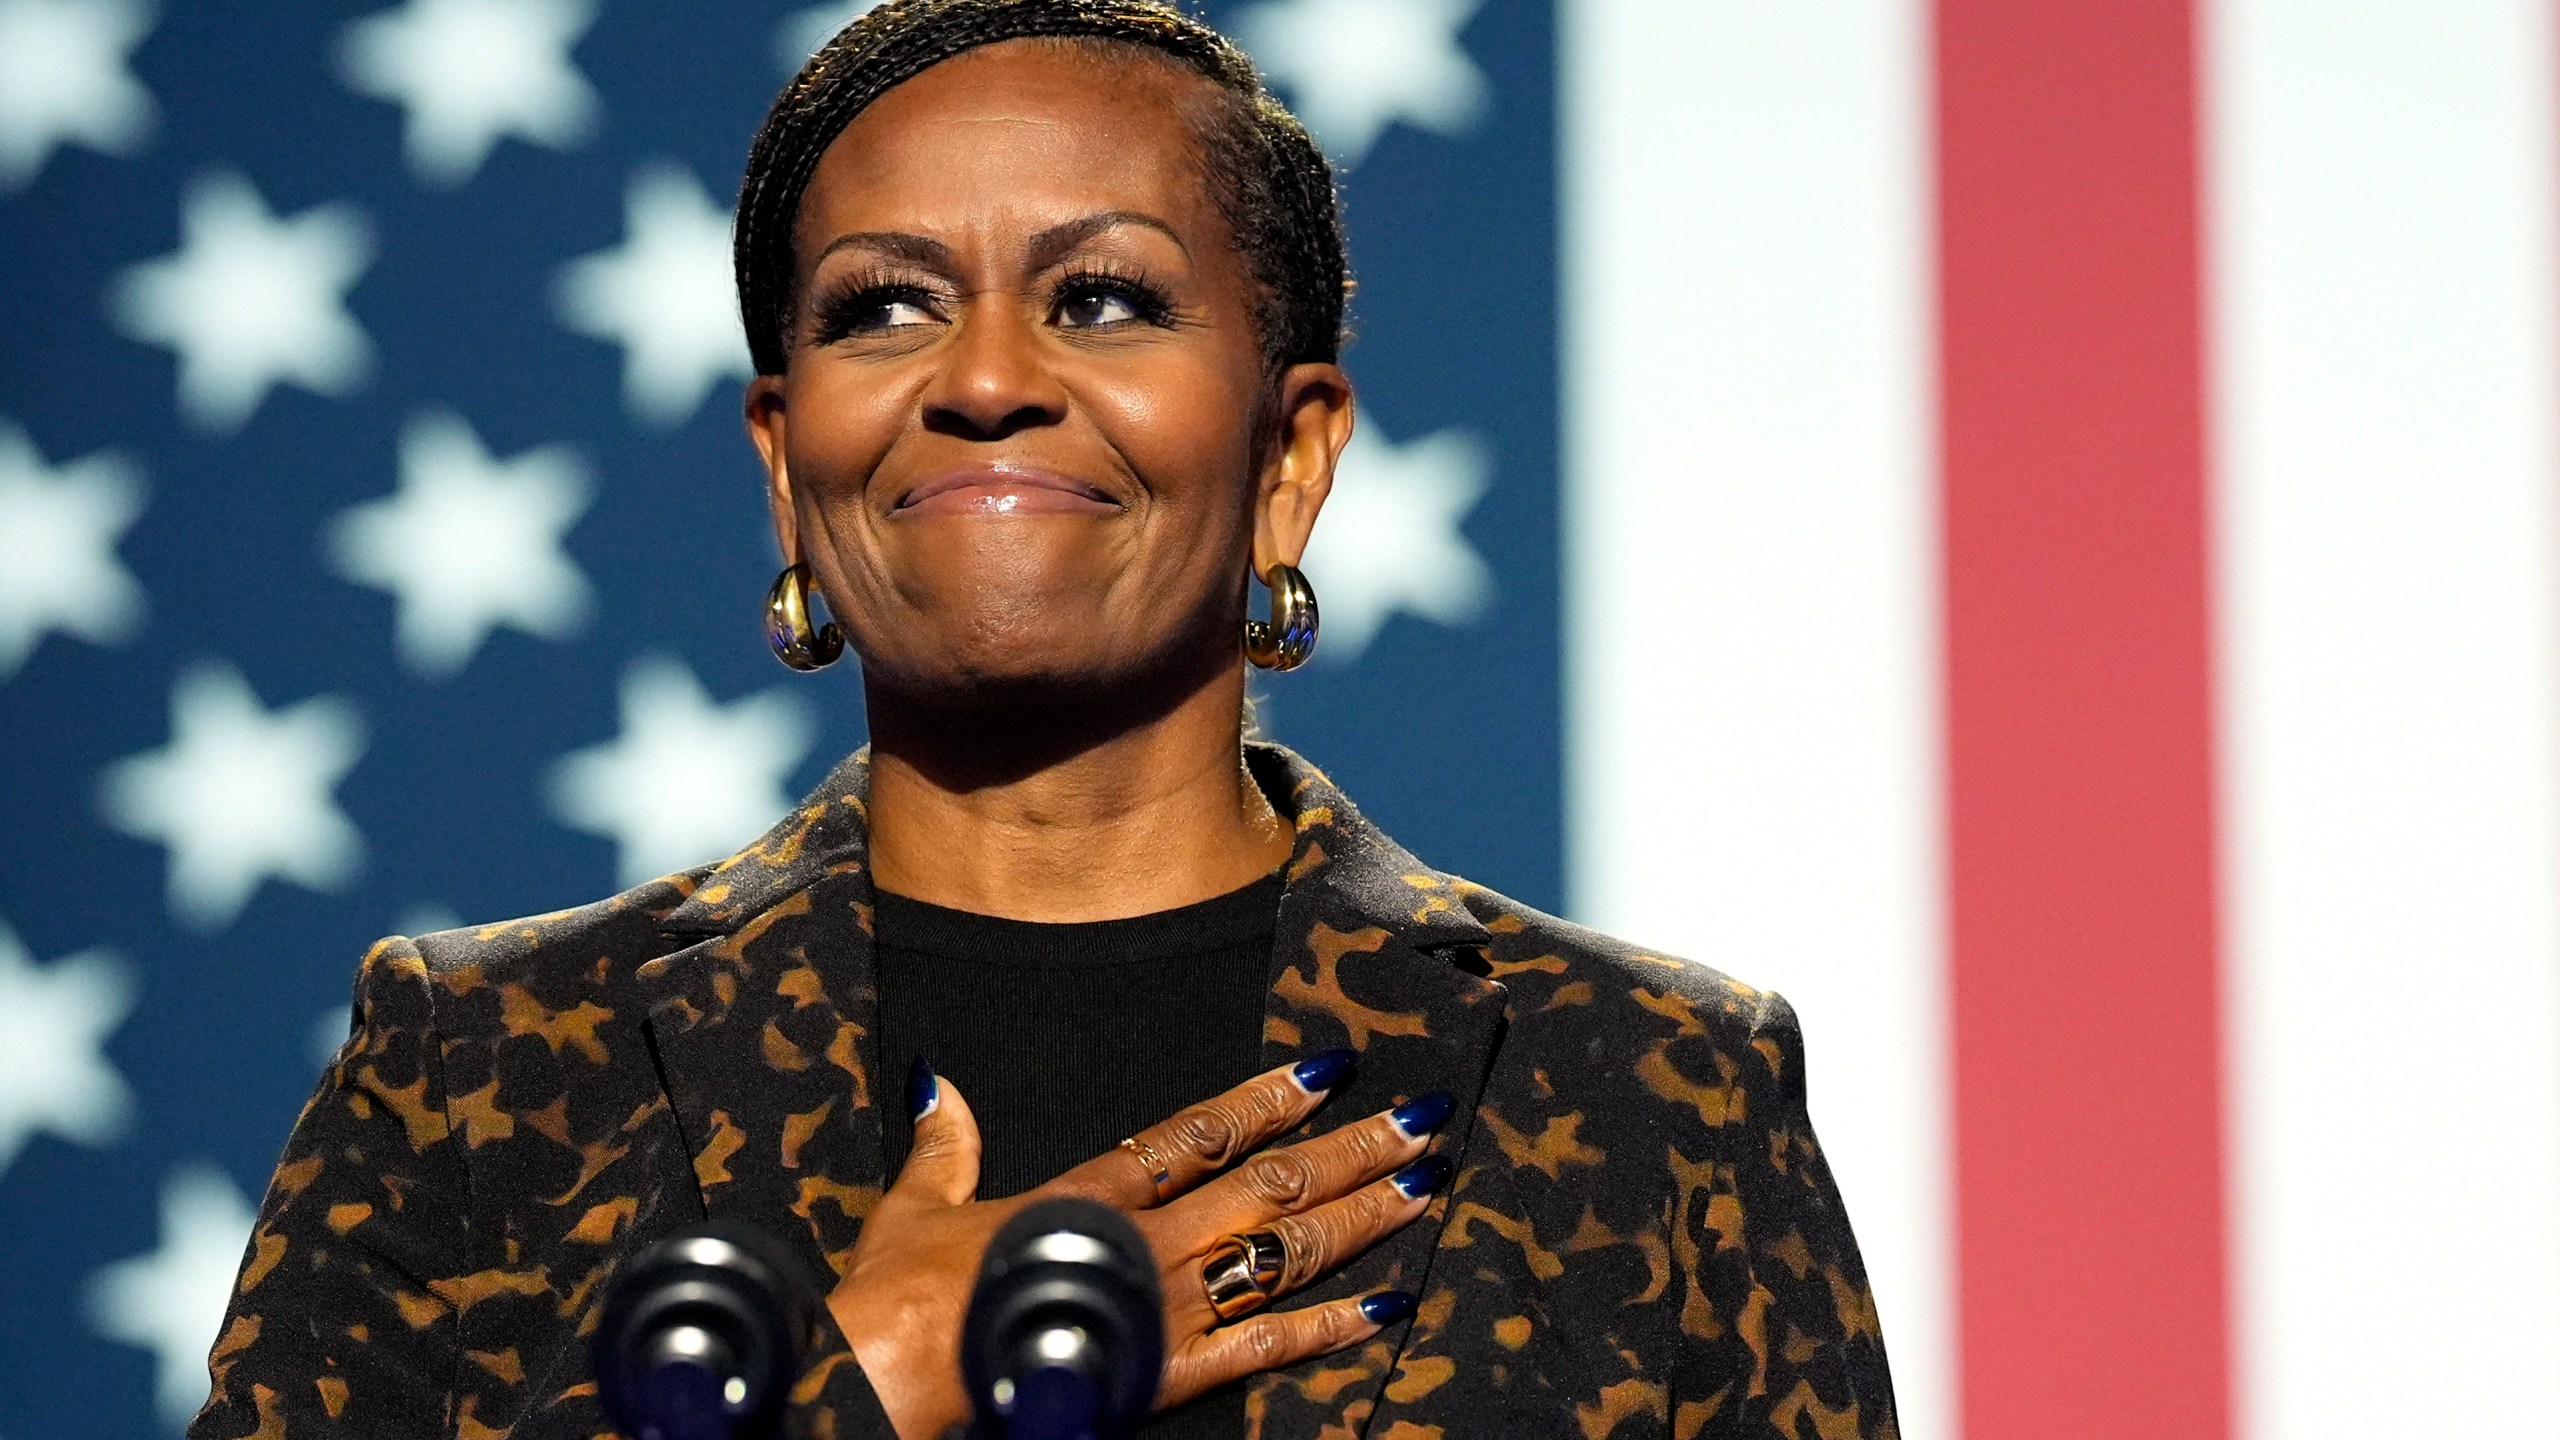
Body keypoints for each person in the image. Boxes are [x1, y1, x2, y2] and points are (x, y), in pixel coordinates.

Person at [189, 2, 1897, 1436]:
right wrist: (866, 1380)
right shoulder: (479, 1071)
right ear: (787, 467)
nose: (986, 376)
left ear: (1289, 457)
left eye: (1105, 297)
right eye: (884, 305)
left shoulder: (1651, 1088)